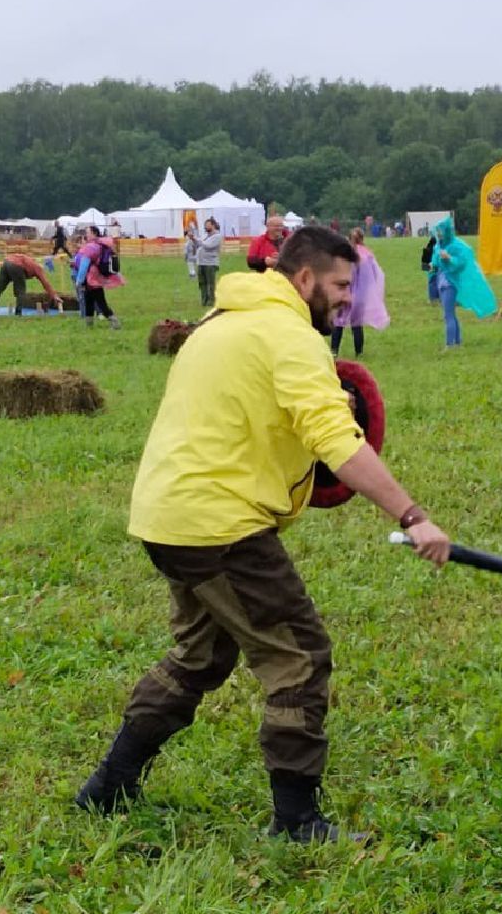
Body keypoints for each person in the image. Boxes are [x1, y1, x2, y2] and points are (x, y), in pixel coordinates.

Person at [75, 225, 451, 842]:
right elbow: (337, 440)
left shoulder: (222, 320)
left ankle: (109, 784)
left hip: (167, 518)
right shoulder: (288, 336)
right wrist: (413, 516)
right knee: (300, 657)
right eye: (337, 285)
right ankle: (297, 821)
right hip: (220, 524)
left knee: (201, 656)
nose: (344, 299)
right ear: (303, 278)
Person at [427, 216, 496, 348]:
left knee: (448, 315)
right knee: (450, 313)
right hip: (441, 284)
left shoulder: (457, 246)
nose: (439, 234)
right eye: (438, 231)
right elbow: (434, 264)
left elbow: (462, 262)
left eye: (441, 231)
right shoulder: (438, 246)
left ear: (447, 230)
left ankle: (450, 344)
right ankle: (457, 342)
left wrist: (449, 258)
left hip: (450, 284)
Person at [330, 227, 389, 357]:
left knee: (338, 322)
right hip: (360, 295)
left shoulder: (345, 255)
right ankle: (359, 352)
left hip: (344, 292)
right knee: (357, 324)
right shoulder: (368, 254)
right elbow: (374, 275)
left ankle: (334, 351)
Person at [73, 231, 123, 328]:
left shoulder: (89, 248)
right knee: (89, 302)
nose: (85, 237)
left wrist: (79, 281)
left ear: (94, 233)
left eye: (87, 233)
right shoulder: (99, 246)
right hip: (92, 279)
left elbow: (84, 266)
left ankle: (115, 322)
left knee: (101, 303)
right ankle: (89, 324)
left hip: (92, 280)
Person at [0, 251, 62, 317]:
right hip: (16, 266)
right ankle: (18, 313)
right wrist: (54, 295)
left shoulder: (31, 262)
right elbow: (46, 283)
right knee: (21, 291)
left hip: (6, 262)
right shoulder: (38, 269)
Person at [193, 218, 224, 308]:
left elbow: (208, 246)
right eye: (205, 225)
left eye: (208, 225)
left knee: (210, 283)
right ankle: (204, 300)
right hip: (201, 262)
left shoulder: (217, 236)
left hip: (210, 263)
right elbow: (199, 244)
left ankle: (211, 301)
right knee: (202, 283)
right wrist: (193, 240)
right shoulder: (205, 236)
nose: (206, 227)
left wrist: (197, 240)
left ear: (213, 225)